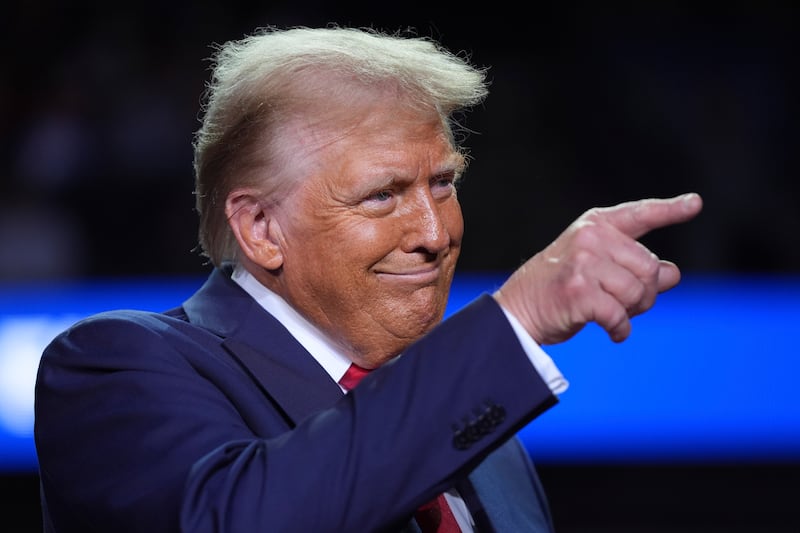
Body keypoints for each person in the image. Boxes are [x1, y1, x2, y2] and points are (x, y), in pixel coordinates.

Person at [34, 25, 703, 533]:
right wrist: (516, 317)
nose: (435, 233)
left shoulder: (488, 441)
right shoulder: (112, 369)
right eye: (383, 195)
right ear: (261, 228)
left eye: (442, 183)